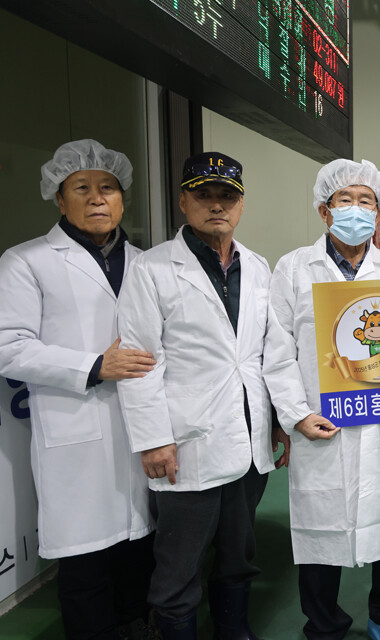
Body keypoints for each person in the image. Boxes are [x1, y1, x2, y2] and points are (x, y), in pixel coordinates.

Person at [262, 158, 380, 640]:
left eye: (367, 201)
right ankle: (323, 623)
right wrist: (296, 415)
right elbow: (277, 351)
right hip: (321, 422)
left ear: (379, 213)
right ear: (325, 210)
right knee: (320, 529)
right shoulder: (294, 269)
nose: (357, 209)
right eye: (345, 199)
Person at [116, 152, 288, 640]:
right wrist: (153, 439)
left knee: (239, 554)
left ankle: (234, 631)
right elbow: (140, 362)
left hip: (250, 437)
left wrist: (278, 421)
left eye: (227, 196)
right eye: (204, 195)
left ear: (241, 204)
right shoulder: (152, 269)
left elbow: (269, 353)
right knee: (180, 564)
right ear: (183, 202)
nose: (216, 205)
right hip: (186, 443)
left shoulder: (257, 266)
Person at [0, 139, 157, 640]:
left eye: (107, 187)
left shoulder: (147, 262)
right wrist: (94, 366)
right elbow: (9, 346)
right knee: (85, 561)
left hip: (143, 425)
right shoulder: (26, 261)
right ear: (58, 198)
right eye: (81, 188)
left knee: (140, 546)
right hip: (76, 423)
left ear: (122, 198)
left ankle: (137, 625)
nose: (96, 198)